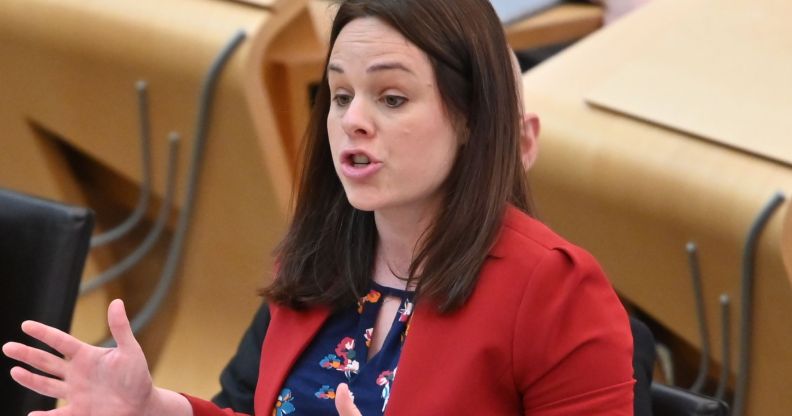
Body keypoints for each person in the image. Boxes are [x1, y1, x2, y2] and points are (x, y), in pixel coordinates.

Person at [2, 0, 634, 415]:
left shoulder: (553, 288)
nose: (352, 121)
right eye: (338, 94)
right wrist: (155, 408)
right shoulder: (321, 260)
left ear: (470, 117)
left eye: (390, 98)